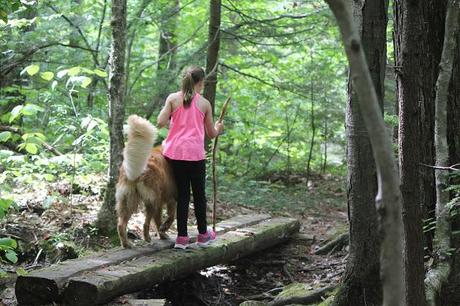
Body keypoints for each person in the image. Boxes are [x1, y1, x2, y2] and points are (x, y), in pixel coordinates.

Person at [157, 66, 224, 249]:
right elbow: (211, 133)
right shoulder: (204, 104)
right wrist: (219, 128)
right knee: (199, 195)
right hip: (195, 155)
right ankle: (203, 235)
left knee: (183, 195)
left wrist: (172, 119)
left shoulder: (172, 99)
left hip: (175, 154)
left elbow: (160, 122)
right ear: (201, 83)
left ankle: (182, 238)